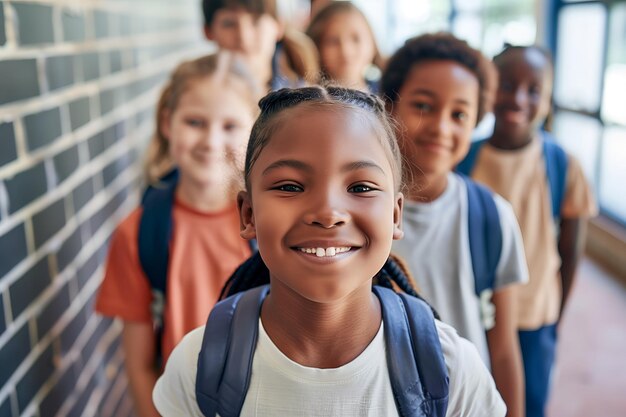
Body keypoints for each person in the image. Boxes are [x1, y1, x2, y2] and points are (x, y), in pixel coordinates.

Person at [152, 85, 506, 416]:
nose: (327, 212)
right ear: (248, 213)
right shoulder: (200, 364)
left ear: (395, 215)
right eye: (290, 186)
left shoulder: (450, 370)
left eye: (361, 186)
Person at [94, 52, 261, 417]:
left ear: (254, 130)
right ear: (168, 123)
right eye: (195, 122)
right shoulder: (138, 233)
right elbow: (139, 366)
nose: (211, 140)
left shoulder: (271, 225)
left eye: (230, 125)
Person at [382, 33, 528, 417]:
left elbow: (503, 346)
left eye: (459, 114)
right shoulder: (358, 210)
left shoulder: (492, 215)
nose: (441, 127)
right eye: (423, 105)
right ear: (389, 107)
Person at [456, 45, 598, 417]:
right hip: (473, 312)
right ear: (487, 90)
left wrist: (556, 316)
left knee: (529, 403)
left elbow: (571, 249)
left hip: (534, 316)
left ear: (548, 101)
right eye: (506, 84)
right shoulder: (463, 158)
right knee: (471, 399)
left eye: (533, 90)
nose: (518, 97)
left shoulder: (563, 164)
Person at [202, 0, 319, 91]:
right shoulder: (196, 94)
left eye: (256, 22)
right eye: (229, 24)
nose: (244, 37)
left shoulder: (302, 96)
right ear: (208, 32)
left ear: (279, 26)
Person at [306, 1, 384, 92]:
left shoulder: (389, 93)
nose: (346, 51)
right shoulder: (309, 100)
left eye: (356, 39)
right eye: (333, 41)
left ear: (372, 42)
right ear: (316, 46)